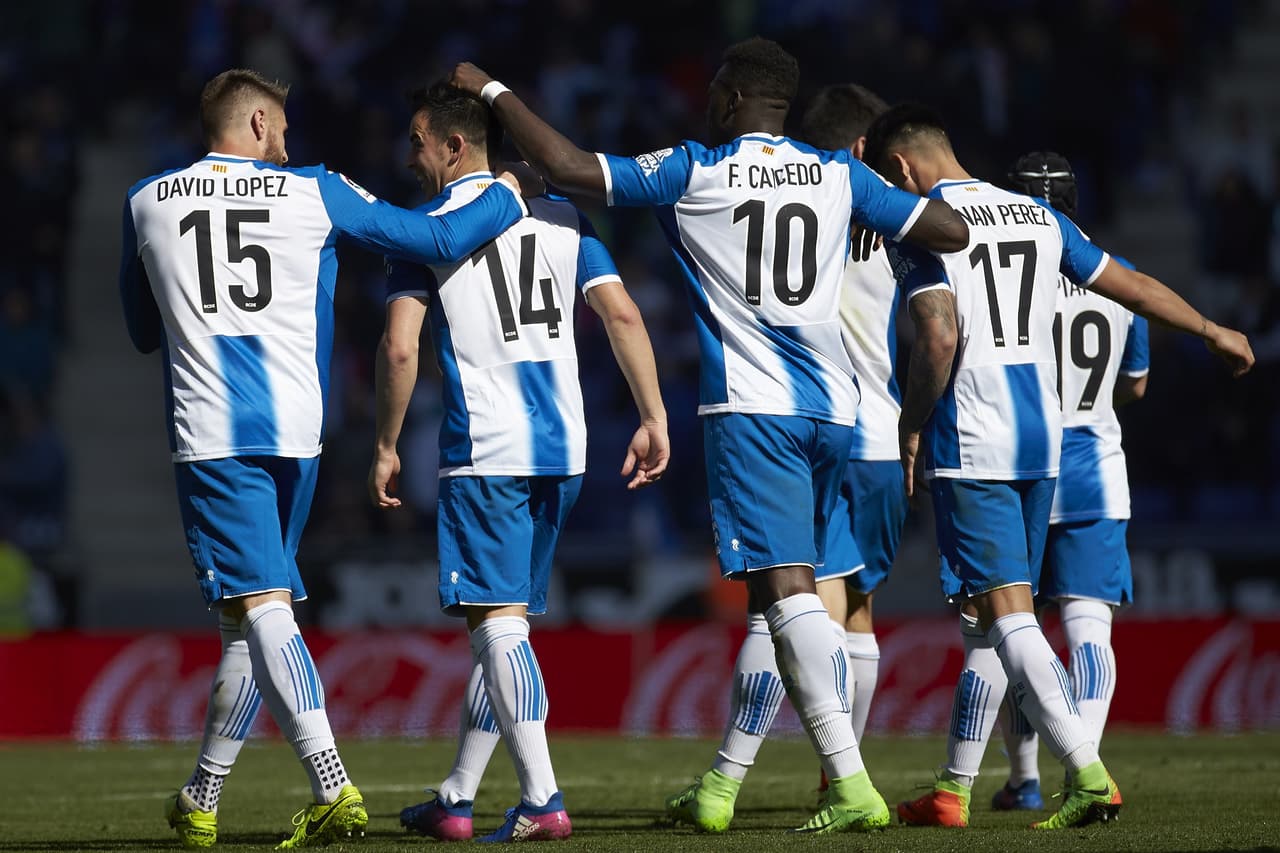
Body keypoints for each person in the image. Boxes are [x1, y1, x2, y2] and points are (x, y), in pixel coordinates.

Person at [450, 37, 971, 834]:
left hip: (755, 410)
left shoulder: (697, 168)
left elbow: (570, 166)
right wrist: (878, 219)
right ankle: (733, 781)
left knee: (787, 591)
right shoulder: (838, 174)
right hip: (835, 411)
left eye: (712, 93)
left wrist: (489, 89)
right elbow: (949, 230)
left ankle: (849, 781)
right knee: (788, 593)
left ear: (731, 100)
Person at [119, 68, 531, 849]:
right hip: (298, 434)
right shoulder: (317, 189)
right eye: (281, 125)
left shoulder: (146, 199)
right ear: (258, 124)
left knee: (260, 605)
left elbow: (142, 331)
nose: (288, 138)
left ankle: (332, 782)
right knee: (247, 615)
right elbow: (437, 239)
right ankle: (202, 792)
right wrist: (506, 195)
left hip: (214, 434)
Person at [863, 104, 1252, 831]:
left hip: (974, 437)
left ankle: (1087, 774)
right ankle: (953, 788)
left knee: (1006, 615)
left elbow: (938, 338)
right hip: (1043, 442)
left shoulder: (920, 228)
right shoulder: (1039, 219)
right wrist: (1210, 329)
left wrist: (910, 424)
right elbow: (1134, 288)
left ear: (900, 168)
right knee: (1003, 618)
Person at [366, 81, 668, 843]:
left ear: (454, 145)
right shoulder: (565, 217)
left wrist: (386, 443)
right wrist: (652, 414)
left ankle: (541, 798)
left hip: (487, 447)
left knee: (497, 627)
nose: (410, 156)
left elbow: (400, 347)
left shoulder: (423, 231)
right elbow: (622, 312)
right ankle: (457, 795)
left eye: (417, 141)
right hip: (563, 448)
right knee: (504, 626)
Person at [650, 82, 911, 828]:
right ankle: (797, 779)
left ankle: (809, 781)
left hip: (798, 419)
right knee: (848, 615)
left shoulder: (795, 201)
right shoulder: (871, 213)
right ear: (860, 150)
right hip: (873, 433)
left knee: (783, 607)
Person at [988, 152, 1149, 811]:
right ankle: (1086, 768)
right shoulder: (1121, 276)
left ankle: (1025, 778)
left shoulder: (1007, 276)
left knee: (1014, 632)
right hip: (1095, 474)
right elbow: (1136, 384)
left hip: (1022, 465)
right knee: (1090, 635)